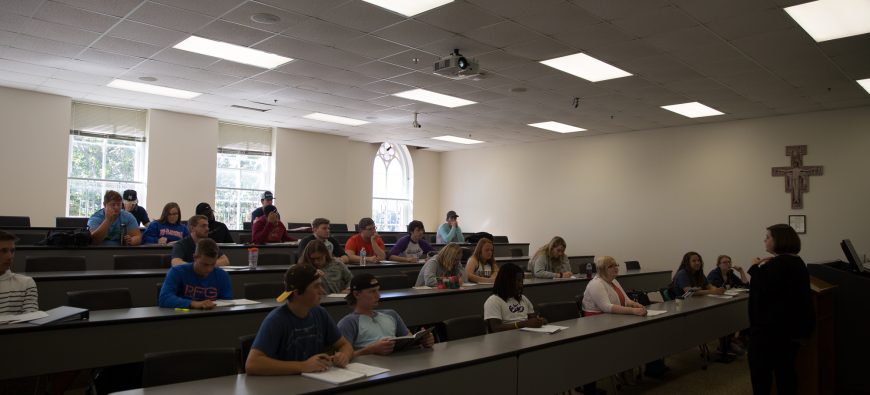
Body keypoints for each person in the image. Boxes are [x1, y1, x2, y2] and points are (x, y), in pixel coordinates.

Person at [245, 264, 353, 375]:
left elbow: (344, 345)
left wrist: (344, 355)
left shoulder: (320, 313)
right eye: (316, 286)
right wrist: (303, 366)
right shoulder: (276, 320)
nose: (322, 291)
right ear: (297, 293)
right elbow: (252, 364)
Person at [747, 224, 814, 395]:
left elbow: (763, 290)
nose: (765, 240)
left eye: (768, 237)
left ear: (779, 240)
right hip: (790, 331)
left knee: (761, 374)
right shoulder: (796, 262)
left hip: (770, 332)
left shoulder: (778, 265)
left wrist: (755, 267)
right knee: (786, 372)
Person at [337, 273, 435, 356]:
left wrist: (422, 341)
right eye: (372, 292)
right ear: (356, 294)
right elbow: (344, 357)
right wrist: (371, 350)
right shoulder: (348, 323)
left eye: (378, 290)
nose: (378, 295)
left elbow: (408, 339)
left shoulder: (391, 314)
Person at [158, 238, 232, 309]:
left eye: (213, 264)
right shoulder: (177, 272)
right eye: (205, 264)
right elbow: (164, 298)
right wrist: (194, 304)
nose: (209, 269)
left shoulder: (222, 275)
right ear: (195, 257)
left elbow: (227, 303)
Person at [484, 263, 546, 332]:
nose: (521, 285)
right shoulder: (493, 301)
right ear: (506, 281)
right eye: (518, 281)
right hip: (505, 339)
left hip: (526, 336)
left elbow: (532, 318)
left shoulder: (523, 298)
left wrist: (539, 321)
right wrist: (522, 324)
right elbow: (496, 328)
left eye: (521, 281)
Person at [582, 256, 646, 316]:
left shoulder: (614, 280)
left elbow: (626, 300)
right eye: (611, 266)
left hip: (612, 316)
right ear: (602, 270)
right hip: (596, 319)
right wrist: (632, 311)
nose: (615, 268)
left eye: (616, 265)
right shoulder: (596, 284)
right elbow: (606, 307)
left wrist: (635, 305)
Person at [0, 230, 38, 315]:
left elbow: (31, 320)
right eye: (3, 251)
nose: (10, 256)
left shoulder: (26, 283)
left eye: (12, 251)